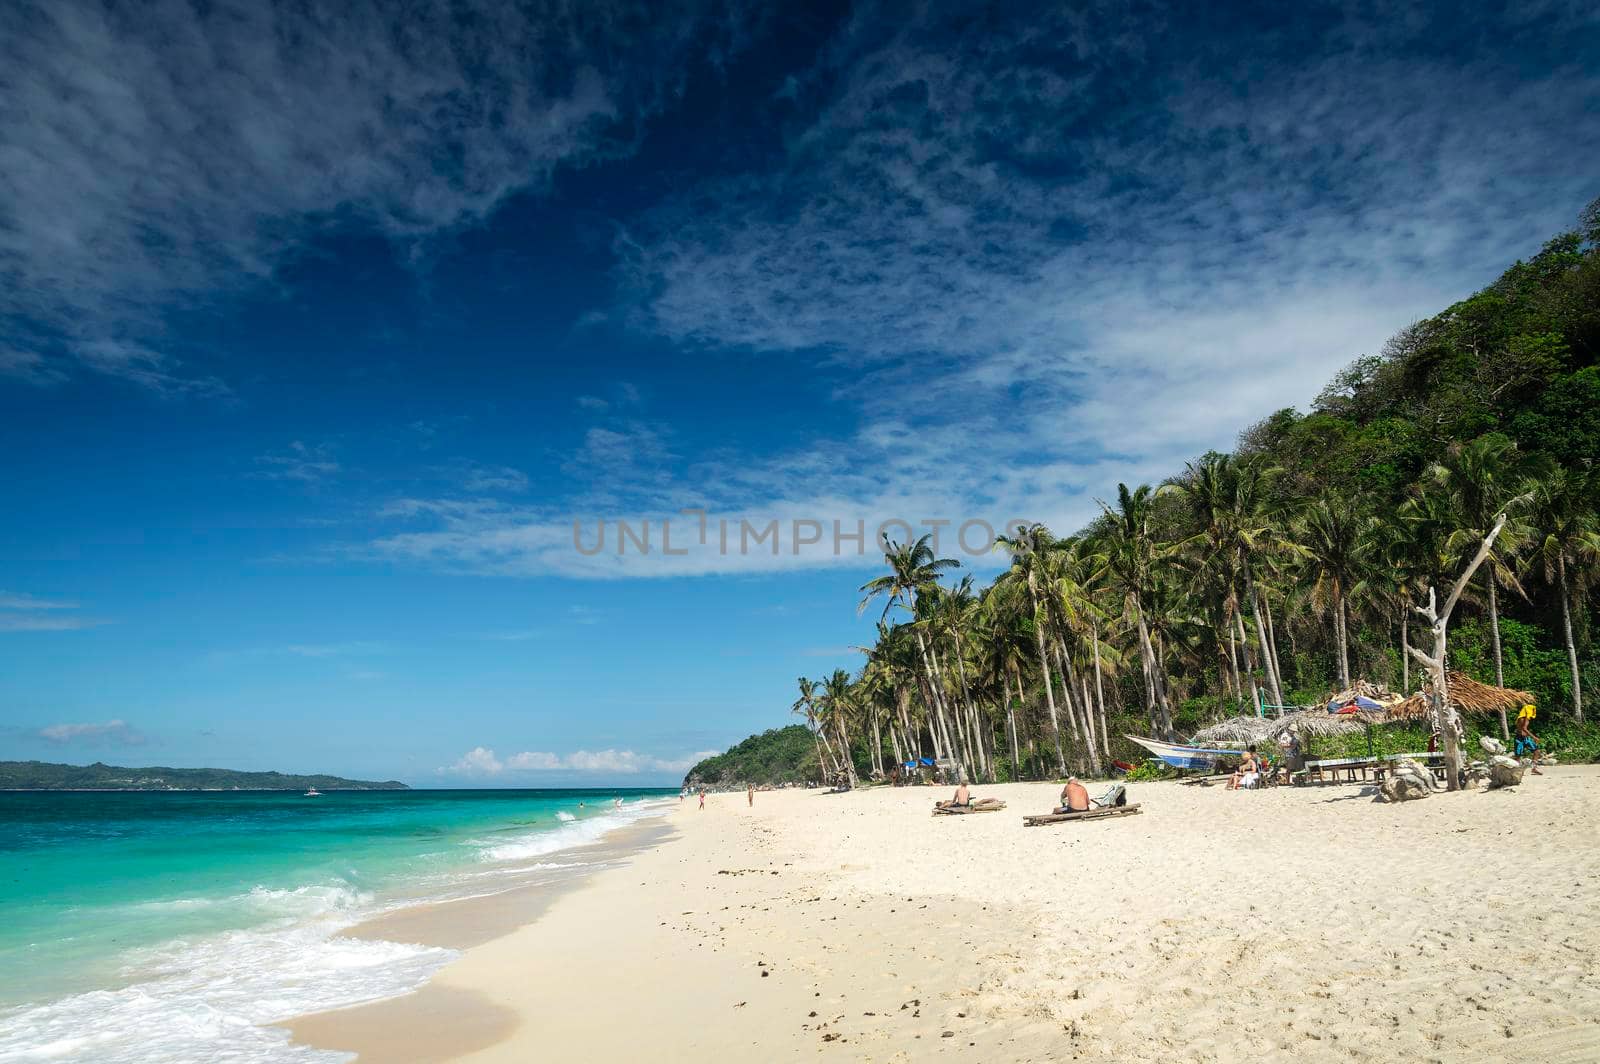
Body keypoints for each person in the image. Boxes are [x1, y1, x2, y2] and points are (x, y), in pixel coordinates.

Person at [1515, 705, 1543, 775]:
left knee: (1536, 751)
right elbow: (1524, 729)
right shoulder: (1524, 719)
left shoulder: (1522, 718)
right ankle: (1518, 770)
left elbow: (1523, 729)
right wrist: (1534, 737)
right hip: (1520, 738)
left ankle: (1533, 768)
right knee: (1519, 755)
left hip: (1523, 738)